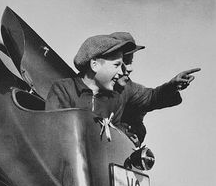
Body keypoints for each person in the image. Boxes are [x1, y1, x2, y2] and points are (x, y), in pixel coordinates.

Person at [45, 34, 200, 144]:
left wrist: (172, 86)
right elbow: (53, 135)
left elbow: (151, 97)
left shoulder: (120, 91)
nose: (125, 71)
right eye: (117, 64)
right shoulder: (63, 89)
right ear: (94, 65)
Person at [110, 31, 201, 146]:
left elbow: (151, 97)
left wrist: (172, 86)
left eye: (130, 62)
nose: (130, 68)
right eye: (124, 62)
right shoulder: (84, 86)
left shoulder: (127, 87)